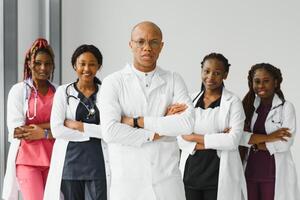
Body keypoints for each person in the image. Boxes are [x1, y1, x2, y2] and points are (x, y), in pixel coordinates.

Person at [99, 21, 194, 200]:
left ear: (161, 46)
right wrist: (158, 131)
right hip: (128, 185)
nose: (147, 48)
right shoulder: (113, 82)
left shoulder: (174, 79)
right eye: (141, 42)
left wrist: (135, 122)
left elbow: (187, 124)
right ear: (131, 45)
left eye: (154, 42)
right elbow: (110, 131)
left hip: (167, 184)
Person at [43, 44, 110, 200]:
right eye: (82, 64)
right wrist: (94, 133)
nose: (87, 68)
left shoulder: (107, 92)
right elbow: (57, 130)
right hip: (71, 164)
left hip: (98, 163)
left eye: (92, 64)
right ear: (75, 65)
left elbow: (110, 130)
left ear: (98, 66)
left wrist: (79, 126)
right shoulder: (63, 92)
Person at [178, 53, 247, 200]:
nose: (210, 77)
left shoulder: (233, 102)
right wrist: (219, 138)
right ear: (201, 71)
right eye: (207, 71)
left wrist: (193, 137)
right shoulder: (189, 99)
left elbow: (232, 141)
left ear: (225, 75)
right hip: (191, 173)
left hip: (218, 175)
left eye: (217, 73)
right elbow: (180, 138)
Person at [2, 38, 56, 200]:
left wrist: (42, 132)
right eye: (38, 63)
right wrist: (52, 128)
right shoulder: (18, 91)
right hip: (27, 160)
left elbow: (65, 127)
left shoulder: (59, 92)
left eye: (47, 64)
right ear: (29, 64)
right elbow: (17, 131)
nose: (43, 68)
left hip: (54, 159)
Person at [239, 63, 300, 200]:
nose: (261, 85)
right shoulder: (247, 107)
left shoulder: (286, 107)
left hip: (273, 174)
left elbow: (284, 144)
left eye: (266, 81)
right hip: (250, 172)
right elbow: (239, 137)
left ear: (275, 82)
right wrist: (270, 137)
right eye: (257, 81)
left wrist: (254, 143)